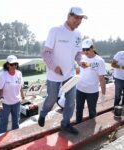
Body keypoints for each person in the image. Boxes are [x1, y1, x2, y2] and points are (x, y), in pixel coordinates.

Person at [38, 6, 87, 135]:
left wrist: (80, 62)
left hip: (70, 74)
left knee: (71, 101)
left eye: (81, 18)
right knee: (52, 98)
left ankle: (65, 124)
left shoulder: (78, 34)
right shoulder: (55, 31)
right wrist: (54, 67)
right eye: (77, 18)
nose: (79, 21)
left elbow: (77, 54)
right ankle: (43, 113)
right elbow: (45, 53)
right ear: (69, 16)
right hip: (54, 74)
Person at [75, 38, 106, 123]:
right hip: (80, 89)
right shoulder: (81, 58)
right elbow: (77, 72)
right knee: (79, 110)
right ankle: (78, 126)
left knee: (92, 112)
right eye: (83, 49)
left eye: (87, 49)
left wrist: (103, 94)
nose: (85, 52)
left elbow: (102, 79)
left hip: (92, 92)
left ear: (92, 48)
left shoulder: (100, 61)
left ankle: (92, 132)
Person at [0, 55, 25, 134]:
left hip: (16, 102)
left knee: (16, 123)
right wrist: (1, 98)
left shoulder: (19, 73)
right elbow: (0, 89)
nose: (14, 66)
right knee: (3, 124)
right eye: (12, 64)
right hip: (5, 103)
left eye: (15, 64)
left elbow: (20, 86)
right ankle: (0, 143)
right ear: (7, 65)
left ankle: (15, 140)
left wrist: (23, 96)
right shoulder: (2, 75)